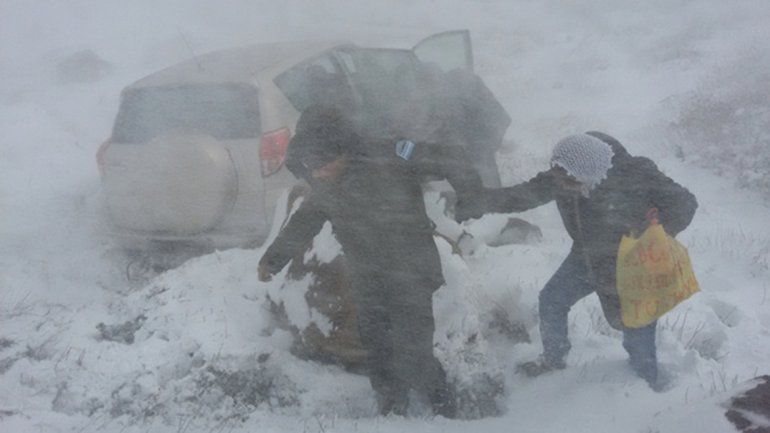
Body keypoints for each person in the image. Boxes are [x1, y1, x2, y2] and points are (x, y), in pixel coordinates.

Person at [258, 103, 484, 417]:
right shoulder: (326, 186)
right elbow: (305, 220)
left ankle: (443, 405)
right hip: (368, 276)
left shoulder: (391, 156)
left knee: (414, 348)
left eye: (324, 164)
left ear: (343, 151)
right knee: (377, 344)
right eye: (313, 167)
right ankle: (391, 401)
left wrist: (472, 191)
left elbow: (444, 157)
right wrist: (273, 260)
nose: (318, 172)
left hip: (411, 272)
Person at [484, 132, 697, 389]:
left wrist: (652, 232)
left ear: (593, 173)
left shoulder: (636, 173)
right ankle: (554, 359)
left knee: (636, 326)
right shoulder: (565, 174)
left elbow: (685, 204)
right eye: (559, 178)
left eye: (571, 182)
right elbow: (525, 194)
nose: (562, 186)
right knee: (552, 300)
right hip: (585, 257)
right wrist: (479, 201)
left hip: (633, 265)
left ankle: (645, 383)